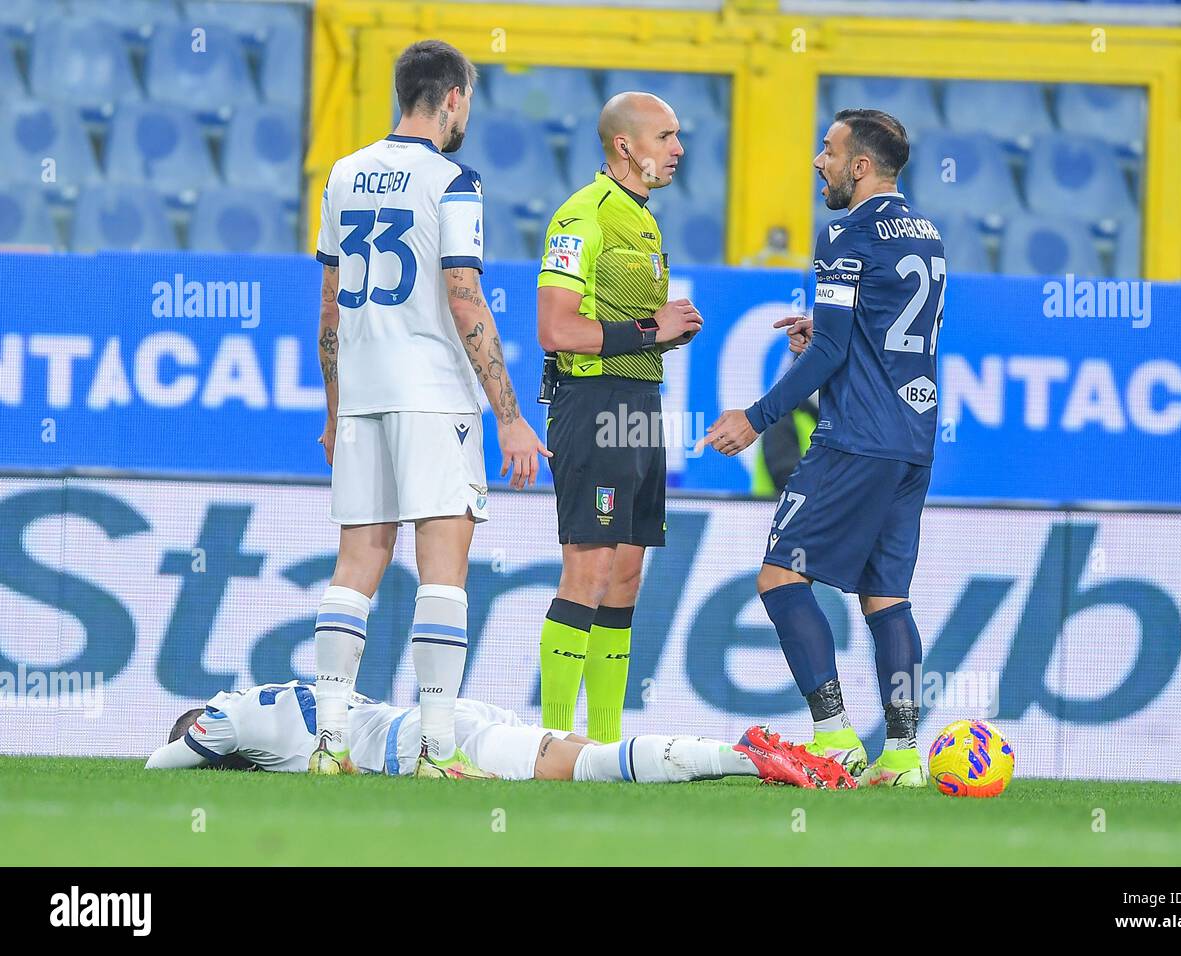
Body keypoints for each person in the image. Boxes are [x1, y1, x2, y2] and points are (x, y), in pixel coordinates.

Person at [311, 40, 547, 779]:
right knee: (443, 570)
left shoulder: (342, 175)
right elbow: (463, 294)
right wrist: (507, 413)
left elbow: (328, 306)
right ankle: (437, 750)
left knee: (355, 567)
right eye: (467, 99)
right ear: (452, 98)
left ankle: (329, 745)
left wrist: (334, 410)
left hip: (364, 395)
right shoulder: (454, 180)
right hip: (433, 394)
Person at [697, 109, 945, 788]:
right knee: (886, 596)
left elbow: (832, 350)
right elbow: (887, 330)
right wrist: (831, 331)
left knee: (780, 576)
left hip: (855, 438)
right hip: (914, 440)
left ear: (860, 166)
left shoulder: (846, 234)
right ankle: (902, 756)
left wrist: (756, 415)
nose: (818, 162)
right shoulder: (928, 235)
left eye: (829, 151)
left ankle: (834, 736)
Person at [533, 92, 703, 742]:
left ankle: (602, 745)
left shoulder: (643, 219)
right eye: (666, 136)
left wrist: (660, 336)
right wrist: (647, 329)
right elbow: (555, 328)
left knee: (628, 570)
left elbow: (630, 328)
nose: (679, 149)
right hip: (593, 401)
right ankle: (552, 740)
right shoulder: (583, 214)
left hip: (641, 404)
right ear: (625, 147)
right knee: (591, 567)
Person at [144, 680, 855, 790]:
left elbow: (158, 764)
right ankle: (751, 749)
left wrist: (200, 744)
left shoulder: (228, 716)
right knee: (584, 759)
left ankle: (742, 756)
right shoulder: (288, 693)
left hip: (423, 743)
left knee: (592, 768)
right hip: (441, 721)